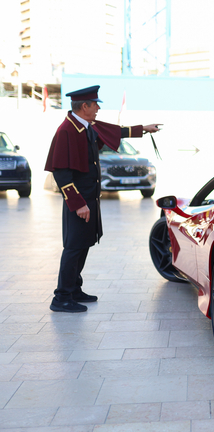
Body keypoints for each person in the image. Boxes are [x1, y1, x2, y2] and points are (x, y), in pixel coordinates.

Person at [45, 85, 161, 312]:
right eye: (95, 104)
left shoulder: (85, 126)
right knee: (73, 248)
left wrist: (143, 129)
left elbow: (112, 131)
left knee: (83, 245)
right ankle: (61, 297)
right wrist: (77, 204)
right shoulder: (66, 131)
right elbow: (61, 173)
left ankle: (74, 289)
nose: (98, 108)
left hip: (89, 200)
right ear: (85, 106)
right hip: (79, 202)